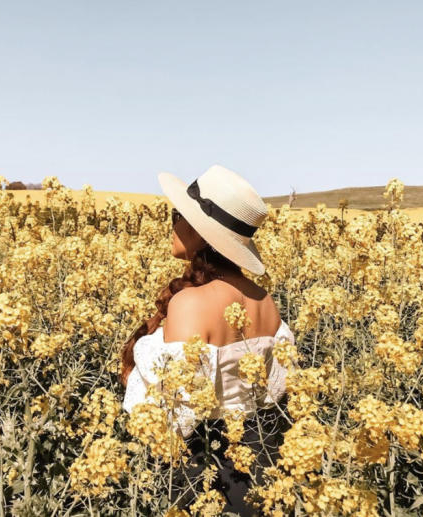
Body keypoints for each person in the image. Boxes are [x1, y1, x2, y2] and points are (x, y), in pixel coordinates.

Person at [120, 165, 294, 515]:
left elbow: (176, 417)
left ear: (202, 233)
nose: (171, 223)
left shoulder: (191, 303)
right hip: (259, 468)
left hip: (201, 476)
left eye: (178, 215)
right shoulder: (264, 299)